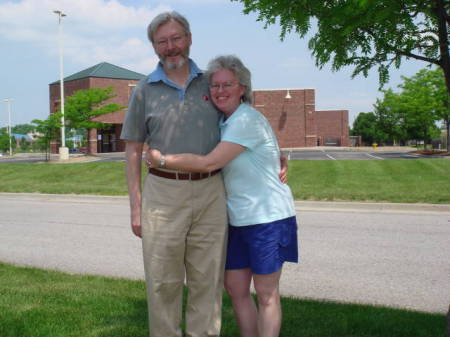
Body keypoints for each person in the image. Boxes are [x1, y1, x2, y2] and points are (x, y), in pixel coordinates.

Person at [147, 55, 299, 337]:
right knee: (236, 289)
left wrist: (162, 160)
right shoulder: (225, 121)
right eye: (215, 86)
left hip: (268, 217)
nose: (220, 91)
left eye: (227, 84)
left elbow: (209, 163)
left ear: (242, 87)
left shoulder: (246, 119)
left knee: (266, 294)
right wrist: (280, 155)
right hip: (237, 219)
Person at [120, 11, 228, 337]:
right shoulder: (143, 91)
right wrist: (135, 206)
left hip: (211, 193)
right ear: (154, 47)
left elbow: (242, 127)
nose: (171, 47)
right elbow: (132, 151)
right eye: (162, 41)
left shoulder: (214, 83)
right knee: (162, 284)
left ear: (190, 38)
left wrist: (273, 153)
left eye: (176, 38)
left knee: (207, 283)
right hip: (162, 198)